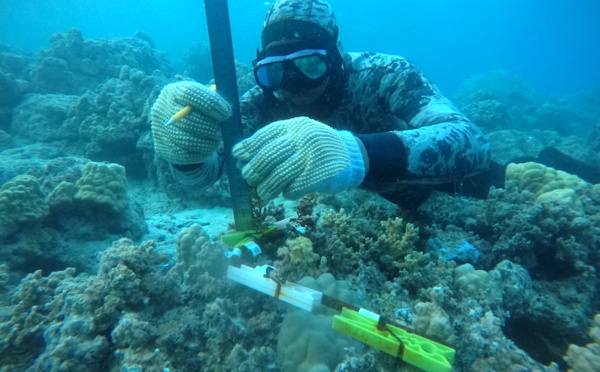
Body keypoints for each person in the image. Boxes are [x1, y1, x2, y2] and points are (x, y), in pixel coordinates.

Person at [150, 0, 492, 207]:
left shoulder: (383, 75)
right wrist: (184, 155)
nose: (293, 84)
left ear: (335, 57)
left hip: (438, 201)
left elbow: (473, 142)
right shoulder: (261, 103)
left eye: (310, 64)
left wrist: (354, 153)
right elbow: (203, 179)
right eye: (275, 71)